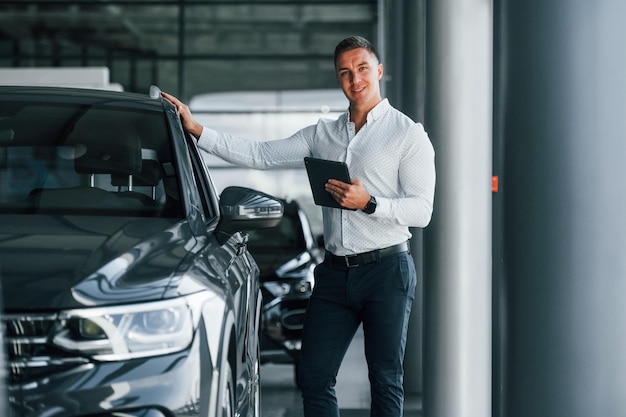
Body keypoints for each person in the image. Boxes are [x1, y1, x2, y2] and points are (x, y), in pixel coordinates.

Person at [163, 35, 435, 417]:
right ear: (338, 78)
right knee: (313, 377)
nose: (354, 79)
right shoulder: (322, 134)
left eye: (361, 69)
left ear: (378, 71)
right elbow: (259, 154)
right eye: (345, 72)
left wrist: (369, 203)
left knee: (385, 380)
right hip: (334, 276)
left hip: (387, 271)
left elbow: (422, 210)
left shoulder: (407, 134)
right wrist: (198, 130)